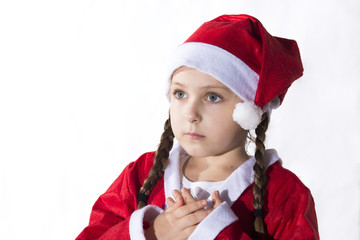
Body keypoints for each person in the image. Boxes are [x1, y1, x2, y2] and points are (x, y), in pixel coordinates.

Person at [76, 14, 319, 240]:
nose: (190, 113)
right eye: (180, 94)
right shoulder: (141, 175)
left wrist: (218, 232)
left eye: (212, 97)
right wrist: (152, 233)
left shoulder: (284, 194)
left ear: (249, 112)